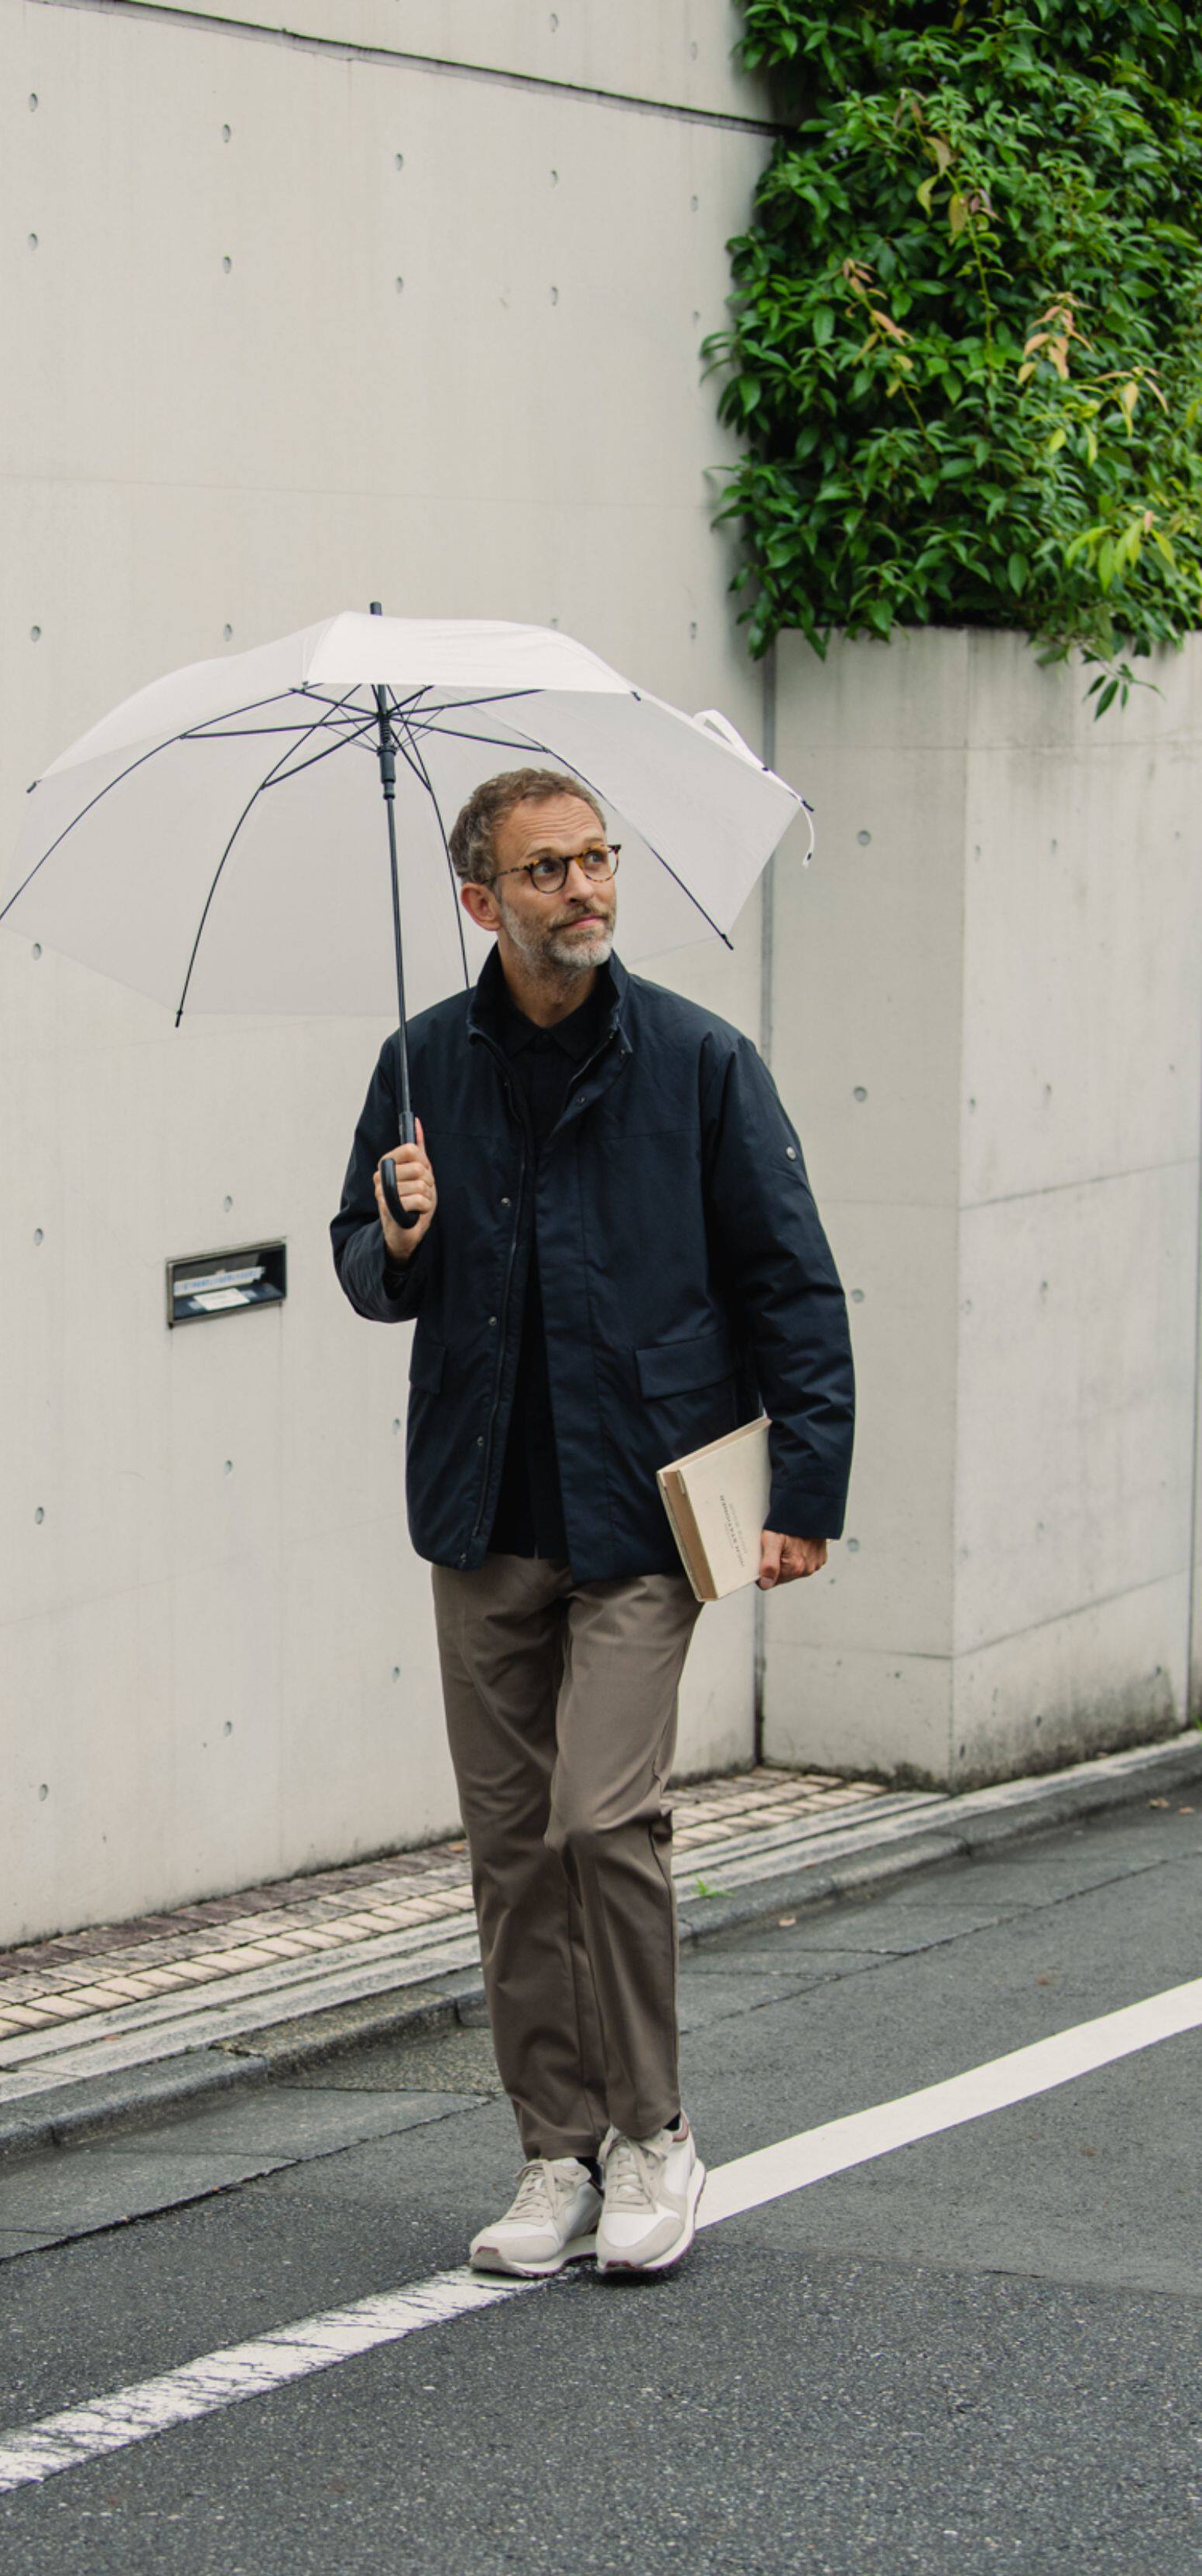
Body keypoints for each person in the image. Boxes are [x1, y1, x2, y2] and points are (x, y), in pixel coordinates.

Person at [331, 767, 854, 2279]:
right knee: (510, 1848)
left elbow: (790, 1281)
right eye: (547, 869)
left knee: (599, 1818)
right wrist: (399, 1234)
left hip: (641, 1510)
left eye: (596, 859)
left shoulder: (697, 1061)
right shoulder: (420, 1064)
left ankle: (653, 2135)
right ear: (479, 899)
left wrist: (806, 1491)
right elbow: (363, 1260)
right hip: (482, 1511)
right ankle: (553, 2151)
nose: (585, 889)